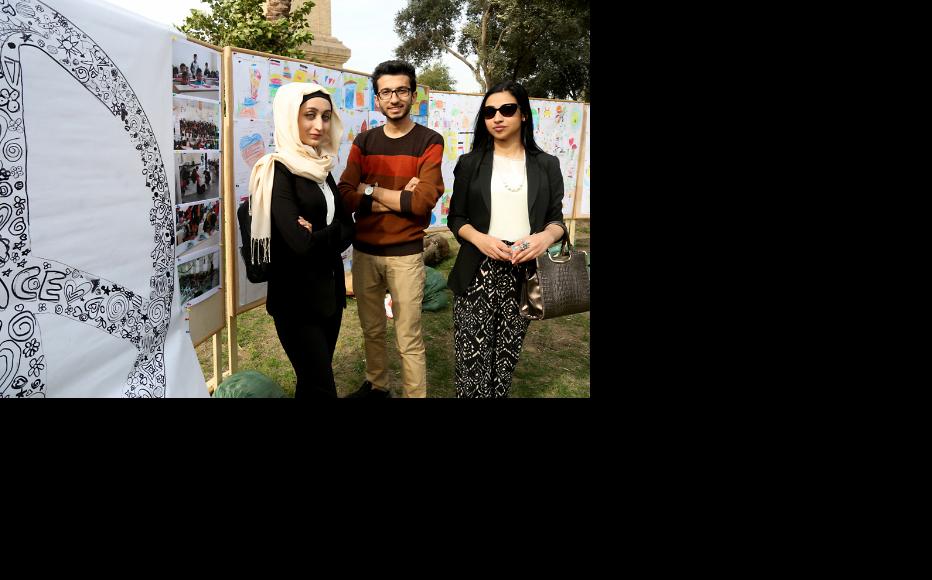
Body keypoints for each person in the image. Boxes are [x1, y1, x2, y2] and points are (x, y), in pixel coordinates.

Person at [447, 80, 568, 398]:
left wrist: (545, 237)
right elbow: (456, 218)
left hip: (525, 275)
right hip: (477, 272)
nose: (497, 117)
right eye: (489, 112)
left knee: (503, 365)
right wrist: (479, 238)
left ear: (523, 115)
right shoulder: (470, 164)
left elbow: (557, 221)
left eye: (507, 109)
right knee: (472, 367)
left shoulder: (546, 165)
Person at [338, 59, 444, 398]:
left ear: (413, 95)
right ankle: (377, 387)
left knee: (408, 338)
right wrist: (396, 197)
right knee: (371, 330)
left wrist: (369, 189)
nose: (394, 98)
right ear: (377, 99)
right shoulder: (364, 141)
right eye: (386, 92)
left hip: (405, 256)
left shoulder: (429, 141)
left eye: (401, 90)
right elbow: (344, 194)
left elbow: (422, 201)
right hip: (365, 253)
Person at [248, 82, 354, 398]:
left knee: (310, 384)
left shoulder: (321, 167)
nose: (319, 125)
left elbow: (350, 229)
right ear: (289, 117)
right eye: (309, 115)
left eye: (325, 116)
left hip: (330, 297)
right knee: (322, 387)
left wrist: (320, 233)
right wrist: (332, 232)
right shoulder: (277, 171)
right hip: (296, 303)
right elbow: (298, 244)